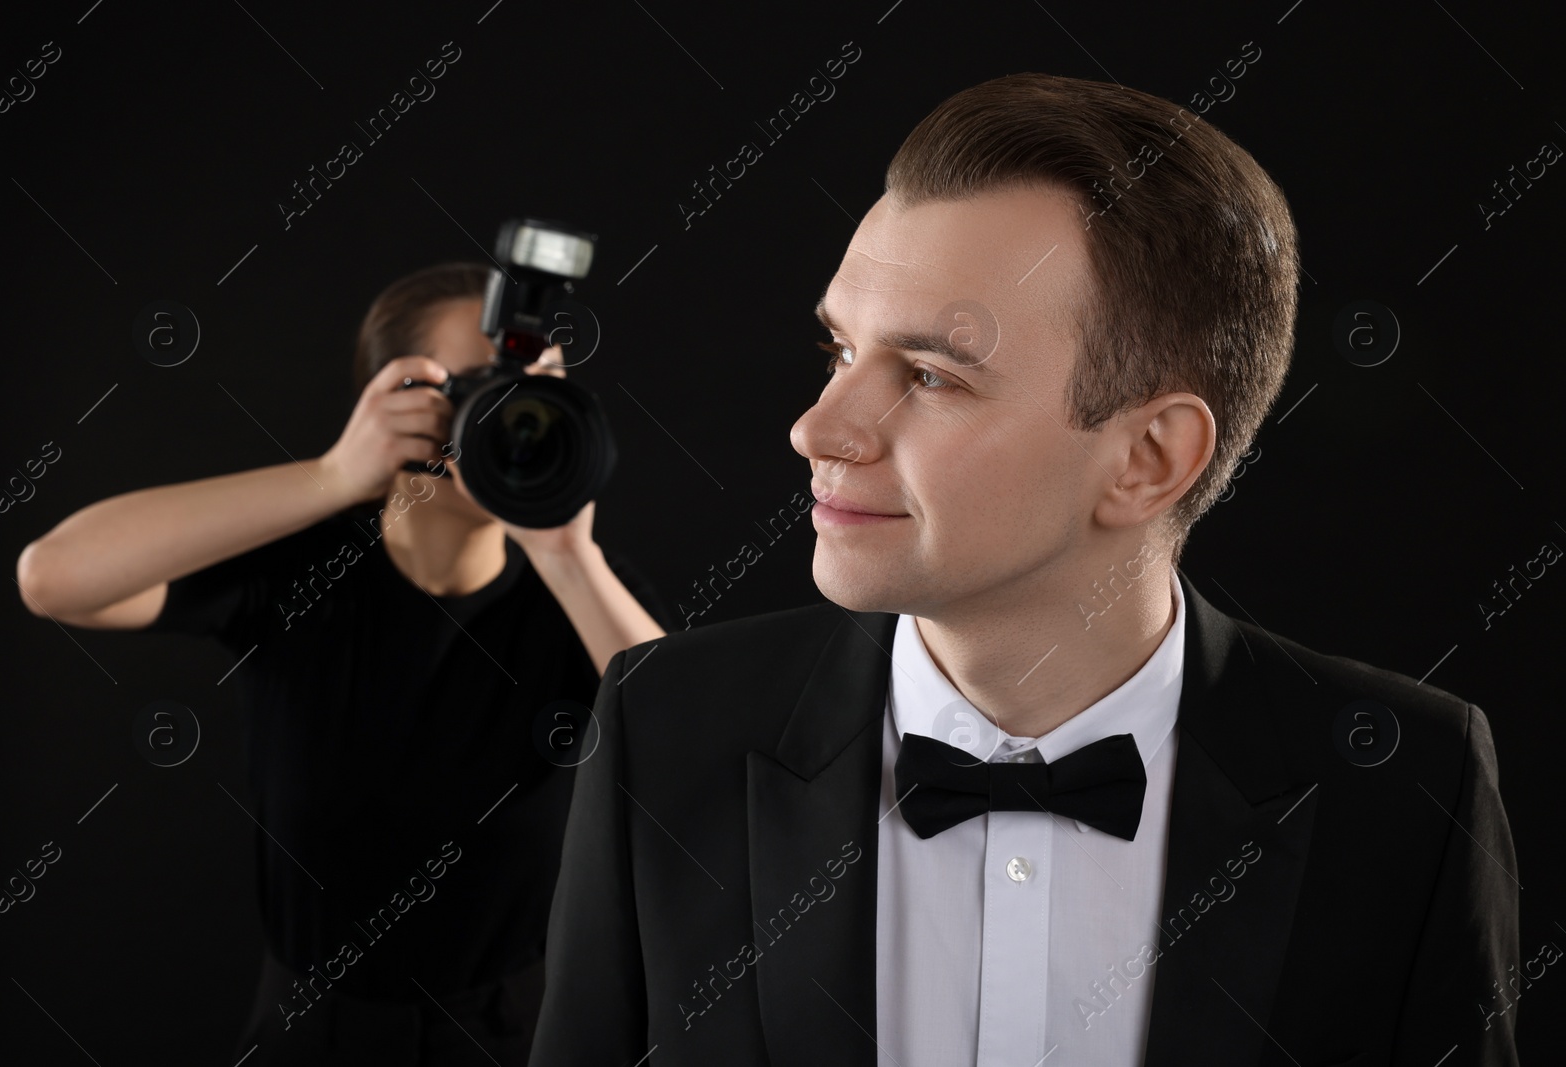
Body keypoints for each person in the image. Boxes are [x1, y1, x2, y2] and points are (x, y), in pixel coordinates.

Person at [527, 73, 1521, 1066]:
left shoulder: (1403, 787)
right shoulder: (663, 733)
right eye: (837, 348)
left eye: (929, 375)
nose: (817, 428)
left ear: (1148, 459)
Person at [16, 262, 670, 1065]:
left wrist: (567, 551)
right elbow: (53, 577)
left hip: (520, 1033)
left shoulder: (580, 590)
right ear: (389, 399)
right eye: (482, 386)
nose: (515, 415)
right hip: (309, 1034)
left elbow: (690, 755)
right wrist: (333, 477)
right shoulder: (300, 569)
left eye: (537, 388)